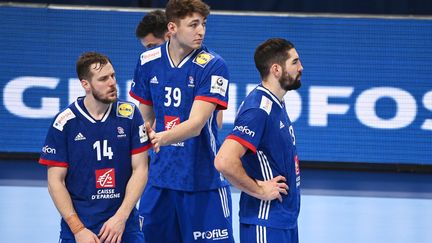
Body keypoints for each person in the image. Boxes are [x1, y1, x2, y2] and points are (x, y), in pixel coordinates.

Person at [129, 0, 234, 242]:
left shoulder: (213, 65)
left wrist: (161, 136)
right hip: (159, 181)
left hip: (202, 181)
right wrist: (143, 133)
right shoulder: (148, 61)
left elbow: (197, 124)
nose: (201, 31)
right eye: (193, 24)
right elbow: (146, 118)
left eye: (203, 24)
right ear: (172, 28)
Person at [39, 52, 151, 243]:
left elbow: (140, 169)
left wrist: (120, 217)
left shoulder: (130, 115)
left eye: (113, 76)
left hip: (123, 225)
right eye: (103, 79)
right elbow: (55, 182)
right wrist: (78, 229)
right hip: (81, 228)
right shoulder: (64, 122)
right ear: (85, 84)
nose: (112, 83)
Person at [214, 38, 304, 243]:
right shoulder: (258, 109)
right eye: (295, 62)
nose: (301, 67)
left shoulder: (276, 103)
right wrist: (260, 190)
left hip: (284, 220)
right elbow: (224, 161)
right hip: (265, 222)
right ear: (276, 69)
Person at [135, 8, 223, 129]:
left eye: (152, 46)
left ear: (169, 34)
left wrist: (167, 135)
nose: (149, 51)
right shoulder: (148, 63)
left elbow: (217, 122)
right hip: (162, 146)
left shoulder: (209, 66)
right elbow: (145, 121)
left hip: (195, 145)